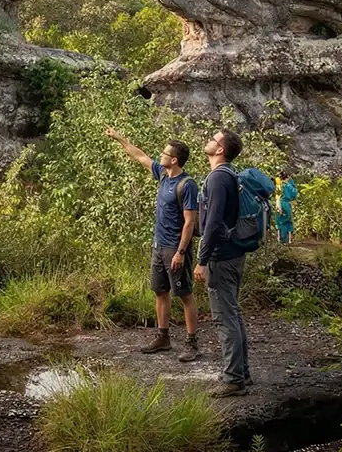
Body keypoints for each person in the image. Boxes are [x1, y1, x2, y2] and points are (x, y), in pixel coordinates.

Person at [105, 128, 202, 362]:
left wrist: (180, 252)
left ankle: (192, 343)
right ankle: (163, 337)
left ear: (174, 159)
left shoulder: (187, 185)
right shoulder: (162, 174)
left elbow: (190, 222)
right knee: (160, 291)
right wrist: (120, 138)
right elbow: (139, 156)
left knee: (185, 294)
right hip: (158, 246)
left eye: (165, 153)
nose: (161, 155)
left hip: (175, 248)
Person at [195, 129, 251, 396]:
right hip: (234, 254)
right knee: (234, 313)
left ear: (220, 150)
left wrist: (201, 259)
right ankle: (242, 372)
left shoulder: (218, 178)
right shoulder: (231, 174)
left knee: (225, 317)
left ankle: (232, 379)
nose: (209, 139)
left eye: (213, 139)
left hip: (221, 257)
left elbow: (213, 224)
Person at [276, 171, 298, 245]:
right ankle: (289, 240)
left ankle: (280, 240)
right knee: (288, 222)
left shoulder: (279, 185)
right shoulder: (290, 185)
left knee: (280, 221)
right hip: (287, 204)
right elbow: (294, 194)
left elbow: (277, 196)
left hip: (280, 203)